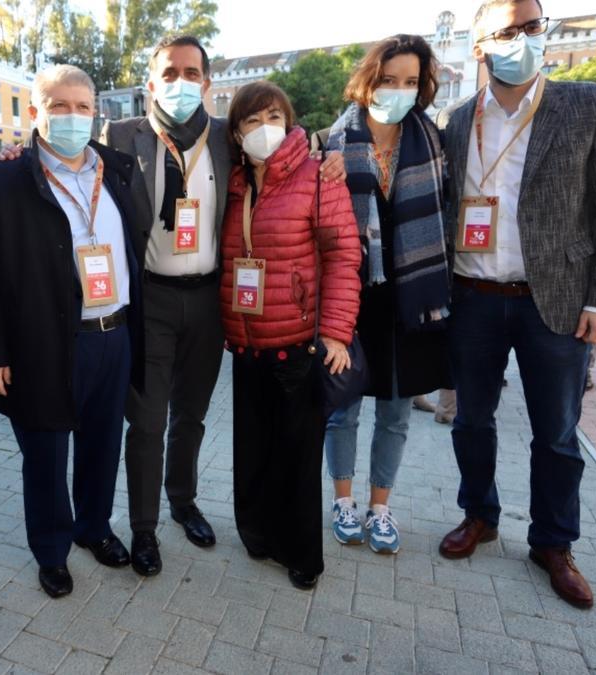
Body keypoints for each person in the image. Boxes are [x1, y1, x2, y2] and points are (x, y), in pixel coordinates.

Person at [436, 0, 596, 609]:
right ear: (480, 48)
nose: (522, 40)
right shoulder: (457, 119)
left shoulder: (592, 103)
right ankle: (480, 514)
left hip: (555, 301)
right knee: (472, 421)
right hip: (473, 297)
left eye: (531, 27)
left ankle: (553, 542)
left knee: (556, 434)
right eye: (506, 31)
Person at [0, 64, 143, 599]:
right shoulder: (0, 182)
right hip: (44, 341)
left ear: (96, 113)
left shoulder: (118, 169)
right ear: (35, 113)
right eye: (58, 106)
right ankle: (51, 549)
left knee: (103, 443)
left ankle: (93, 527)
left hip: (113, 332)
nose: (72, 116)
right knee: (45, 452)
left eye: (82, 106)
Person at [221, 81, 361, 590]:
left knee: (298, 455)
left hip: (300, 341)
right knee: (253, 448)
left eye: (273, 117)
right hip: (246, 341)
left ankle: (302, 554)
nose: (264, 130)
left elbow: (345, 256)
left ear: (289, 120)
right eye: (251, 122)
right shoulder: (235, 182)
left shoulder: (318, 176)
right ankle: (256, 534)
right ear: (236, 133)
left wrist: (337, 333)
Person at [99, 35, 228, 575]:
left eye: (191, 72)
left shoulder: (227, 139)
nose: (180, 82)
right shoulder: (123, 135)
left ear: (206, 81)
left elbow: (285, 160)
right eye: (169, 72)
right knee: (148, 421)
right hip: (149, 297)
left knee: (192, 415)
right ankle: (145, 528)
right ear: (151, 81)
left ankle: (183, 500)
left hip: (209, 300)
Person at [322, 34, 452, 556]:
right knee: (344, 407)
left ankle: (381, 507)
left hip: (413, 296)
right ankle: (343, 501)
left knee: (396, 413)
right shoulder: (334, 142)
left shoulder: (433, 141)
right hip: (353, 295)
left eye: (410, 82)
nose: (398, 90)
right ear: (368, 79)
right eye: (388, 79)